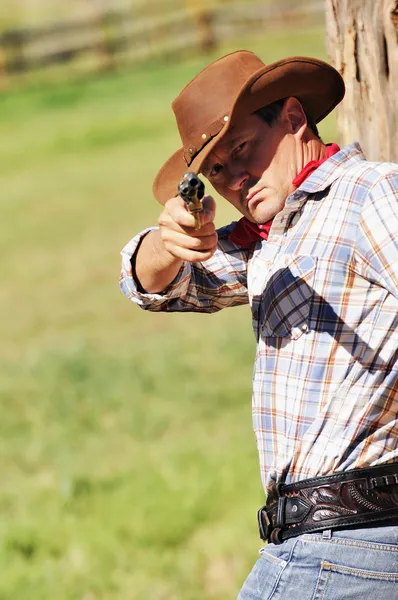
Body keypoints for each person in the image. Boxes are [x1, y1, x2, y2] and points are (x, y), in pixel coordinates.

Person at [120, 50, 398, 599]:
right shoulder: (267, 241)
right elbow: (150, 285)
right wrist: (169, 239)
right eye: (216, 171)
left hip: (339, 549)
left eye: (242, 149)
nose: (235, 179)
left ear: (293, 117)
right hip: (328, 544)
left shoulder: (370, 194)